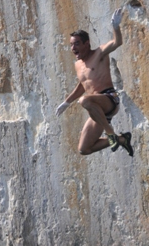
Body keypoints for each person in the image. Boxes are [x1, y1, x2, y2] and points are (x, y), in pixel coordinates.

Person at [56, 8, 134, 156]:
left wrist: (116, 27)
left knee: (84, 101)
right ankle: (122, 139)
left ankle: (110, 133)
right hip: (97, 110)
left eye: (77, 44)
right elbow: (83, 85)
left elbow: (117, 42)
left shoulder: (99, 53)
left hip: (109, 99)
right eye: (72, 45)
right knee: (84, 149)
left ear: (87, 44)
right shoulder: (78, 65)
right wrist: (66, 102)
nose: (73, 48)